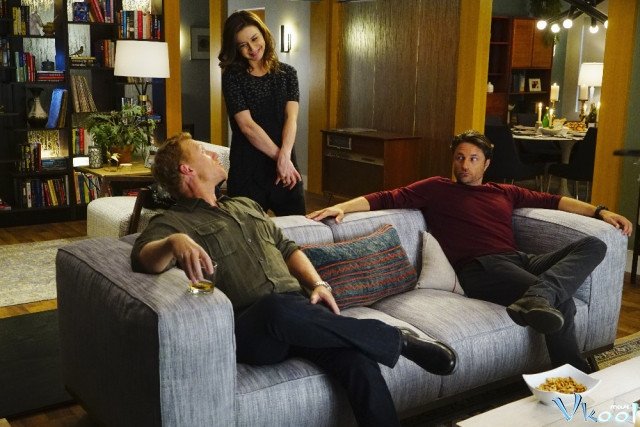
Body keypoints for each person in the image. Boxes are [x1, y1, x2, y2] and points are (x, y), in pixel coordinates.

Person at [130, 133, 457, 426]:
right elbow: (142, 258)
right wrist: (173, 242)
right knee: (275, 308)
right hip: (252, 328)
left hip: (298, 315)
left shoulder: (245, 205)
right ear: (187, 169)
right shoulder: (174, 221)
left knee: (358, 360)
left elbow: (288, 248)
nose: (214, 154)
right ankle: (398, 339)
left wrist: (318, 284)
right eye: (203, 151)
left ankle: (382, 347)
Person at [307, 129, 632, 373]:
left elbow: (554, 200)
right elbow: (387, 197)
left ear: (486, 164)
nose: (464, 165)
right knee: (562, 301)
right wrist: (342, 207)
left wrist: (601, 211)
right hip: (480, 269)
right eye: (459, 158)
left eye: (473, 159)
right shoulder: (437, 188)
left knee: (594, 244)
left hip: (519, 260)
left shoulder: (504, 192)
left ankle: (541, 295)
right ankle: (572, 376)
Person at [218, 10, 305, 216]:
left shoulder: (288, 74)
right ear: (235, 48)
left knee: (299, 227)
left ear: (264, 34)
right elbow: (247, 126)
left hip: (286, 168)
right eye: (243, 45)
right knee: (247, 232)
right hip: (248, 170)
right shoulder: (232, 77)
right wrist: (281, 159)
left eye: (255, 39)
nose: (252, 48)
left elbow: (291, 118)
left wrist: (285, 157)